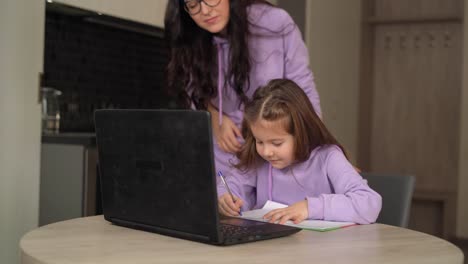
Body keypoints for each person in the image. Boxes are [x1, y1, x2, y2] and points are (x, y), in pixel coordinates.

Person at [164, 0, 321, 176]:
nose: (205, 11)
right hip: (226, 153)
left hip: (274, 149)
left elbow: (304, 91)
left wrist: (321, 154)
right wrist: (213, 116)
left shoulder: (273, 23)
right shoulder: (191, 37)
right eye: (193, 4)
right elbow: (192, 91)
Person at [217, 79, 382, 225]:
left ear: (302, 133)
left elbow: (369, 203)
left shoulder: (328, 157)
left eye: (277, 143)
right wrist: (226, 197)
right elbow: (234, 183)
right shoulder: (261, 161)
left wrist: (309, 207)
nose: (266, 152)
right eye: (259, 141)